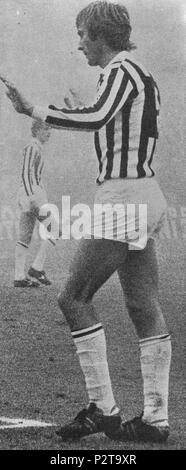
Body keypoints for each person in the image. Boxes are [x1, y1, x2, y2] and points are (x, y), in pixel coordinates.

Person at [0, 1, 171, 442]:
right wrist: (87, 111)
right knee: (142, 306)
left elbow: (98, 116)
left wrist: (33, 109)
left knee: (73, 297)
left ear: (102, 35)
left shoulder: (120, 70)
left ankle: (104, 408)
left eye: (83, 35)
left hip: (123, 196)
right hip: (144, 194)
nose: (79, 44)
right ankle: (154, 420)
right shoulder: (141, 73)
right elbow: (117, 124)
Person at [14, 119, 56, 287]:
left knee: (25, 236)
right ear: (37, 130)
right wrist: (30, 195)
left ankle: (19, 277)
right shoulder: (32, 147)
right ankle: (37, 268)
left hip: (29, 193)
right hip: (32, 194)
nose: (49, 132)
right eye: (46, 129)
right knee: (54, 228)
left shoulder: (37, 147)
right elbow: (25, 172)